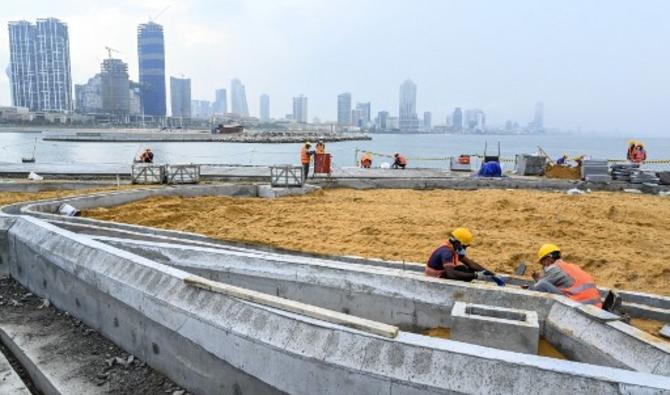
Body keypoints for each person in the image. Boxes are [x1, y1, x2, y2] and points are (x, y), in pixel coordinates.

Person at [529, 244, 602, 308]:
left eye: (543, 263)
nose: (543, 267)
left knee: (541, 284)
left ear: (549, 259)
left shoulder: (555, 268)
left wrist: (528, 289)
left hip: (581, 307)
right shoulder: (569, 267)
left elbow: (541, 286)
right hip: (595, 306)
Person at [425, 228, 493, 282]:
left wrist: (490, 274)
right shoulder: (446, 252)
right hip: (435, 277)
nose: (464, 249)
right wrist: (476, 276)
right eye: (464, 246)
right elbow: (451, 274)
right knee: (466, 273)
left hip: (443, 272)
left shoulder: (454, 248)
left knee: (467, 270)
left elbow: (471, 264)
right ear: (457, 243)